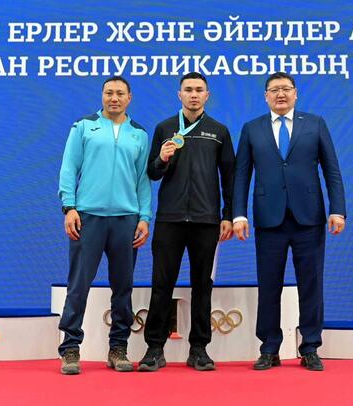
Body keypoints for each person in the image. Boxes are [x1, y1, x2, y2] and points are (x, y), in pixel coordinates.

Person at [232, 72, 346, 371]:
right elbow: (241, 175)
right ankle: (269, 348)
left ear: (296, 93)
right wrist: (238, 214)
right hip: (269, 219)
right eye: (274, 90)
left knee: (311, 284)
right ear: (266, 96)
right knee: (269, 286)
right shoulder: (252, 128)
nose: (280, 94)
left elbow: (332, 169)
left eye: (286, 89)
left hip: (309, 218)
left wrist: (337, 209)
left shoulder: (315, 124)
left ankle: (310, 346)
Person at [138, 72, 236, 372]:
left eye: (199, 90)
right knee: (161, 284)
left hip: (207, 221)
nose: (194, 94)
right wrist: (162, 159)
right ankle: (154, 349)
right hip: (170, 219)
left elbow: (230, 178)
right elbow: (152, 173)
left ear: (207, 95)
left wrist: (228, 215)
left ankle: (199, 349)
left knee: (202, 285)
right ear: (179, 94)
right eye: (188, 89)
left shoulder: (219, 131)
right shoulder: (165, 128)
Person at [56, 75, 152, 375]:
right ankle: (70, 348)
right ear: (102, 96)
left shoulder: (139, 134)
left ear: (129, 98)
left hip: (126, 220)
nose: (114, 98)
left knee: (123, 287)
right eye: (109, 93)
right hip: (88, 218)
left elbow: (142, 180)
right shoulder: (84, 127)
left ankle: (118, 348)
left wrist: (144, 217)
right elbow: (69, 168)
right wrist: (69, 207)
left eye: (120, 93)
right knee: (78, 285)